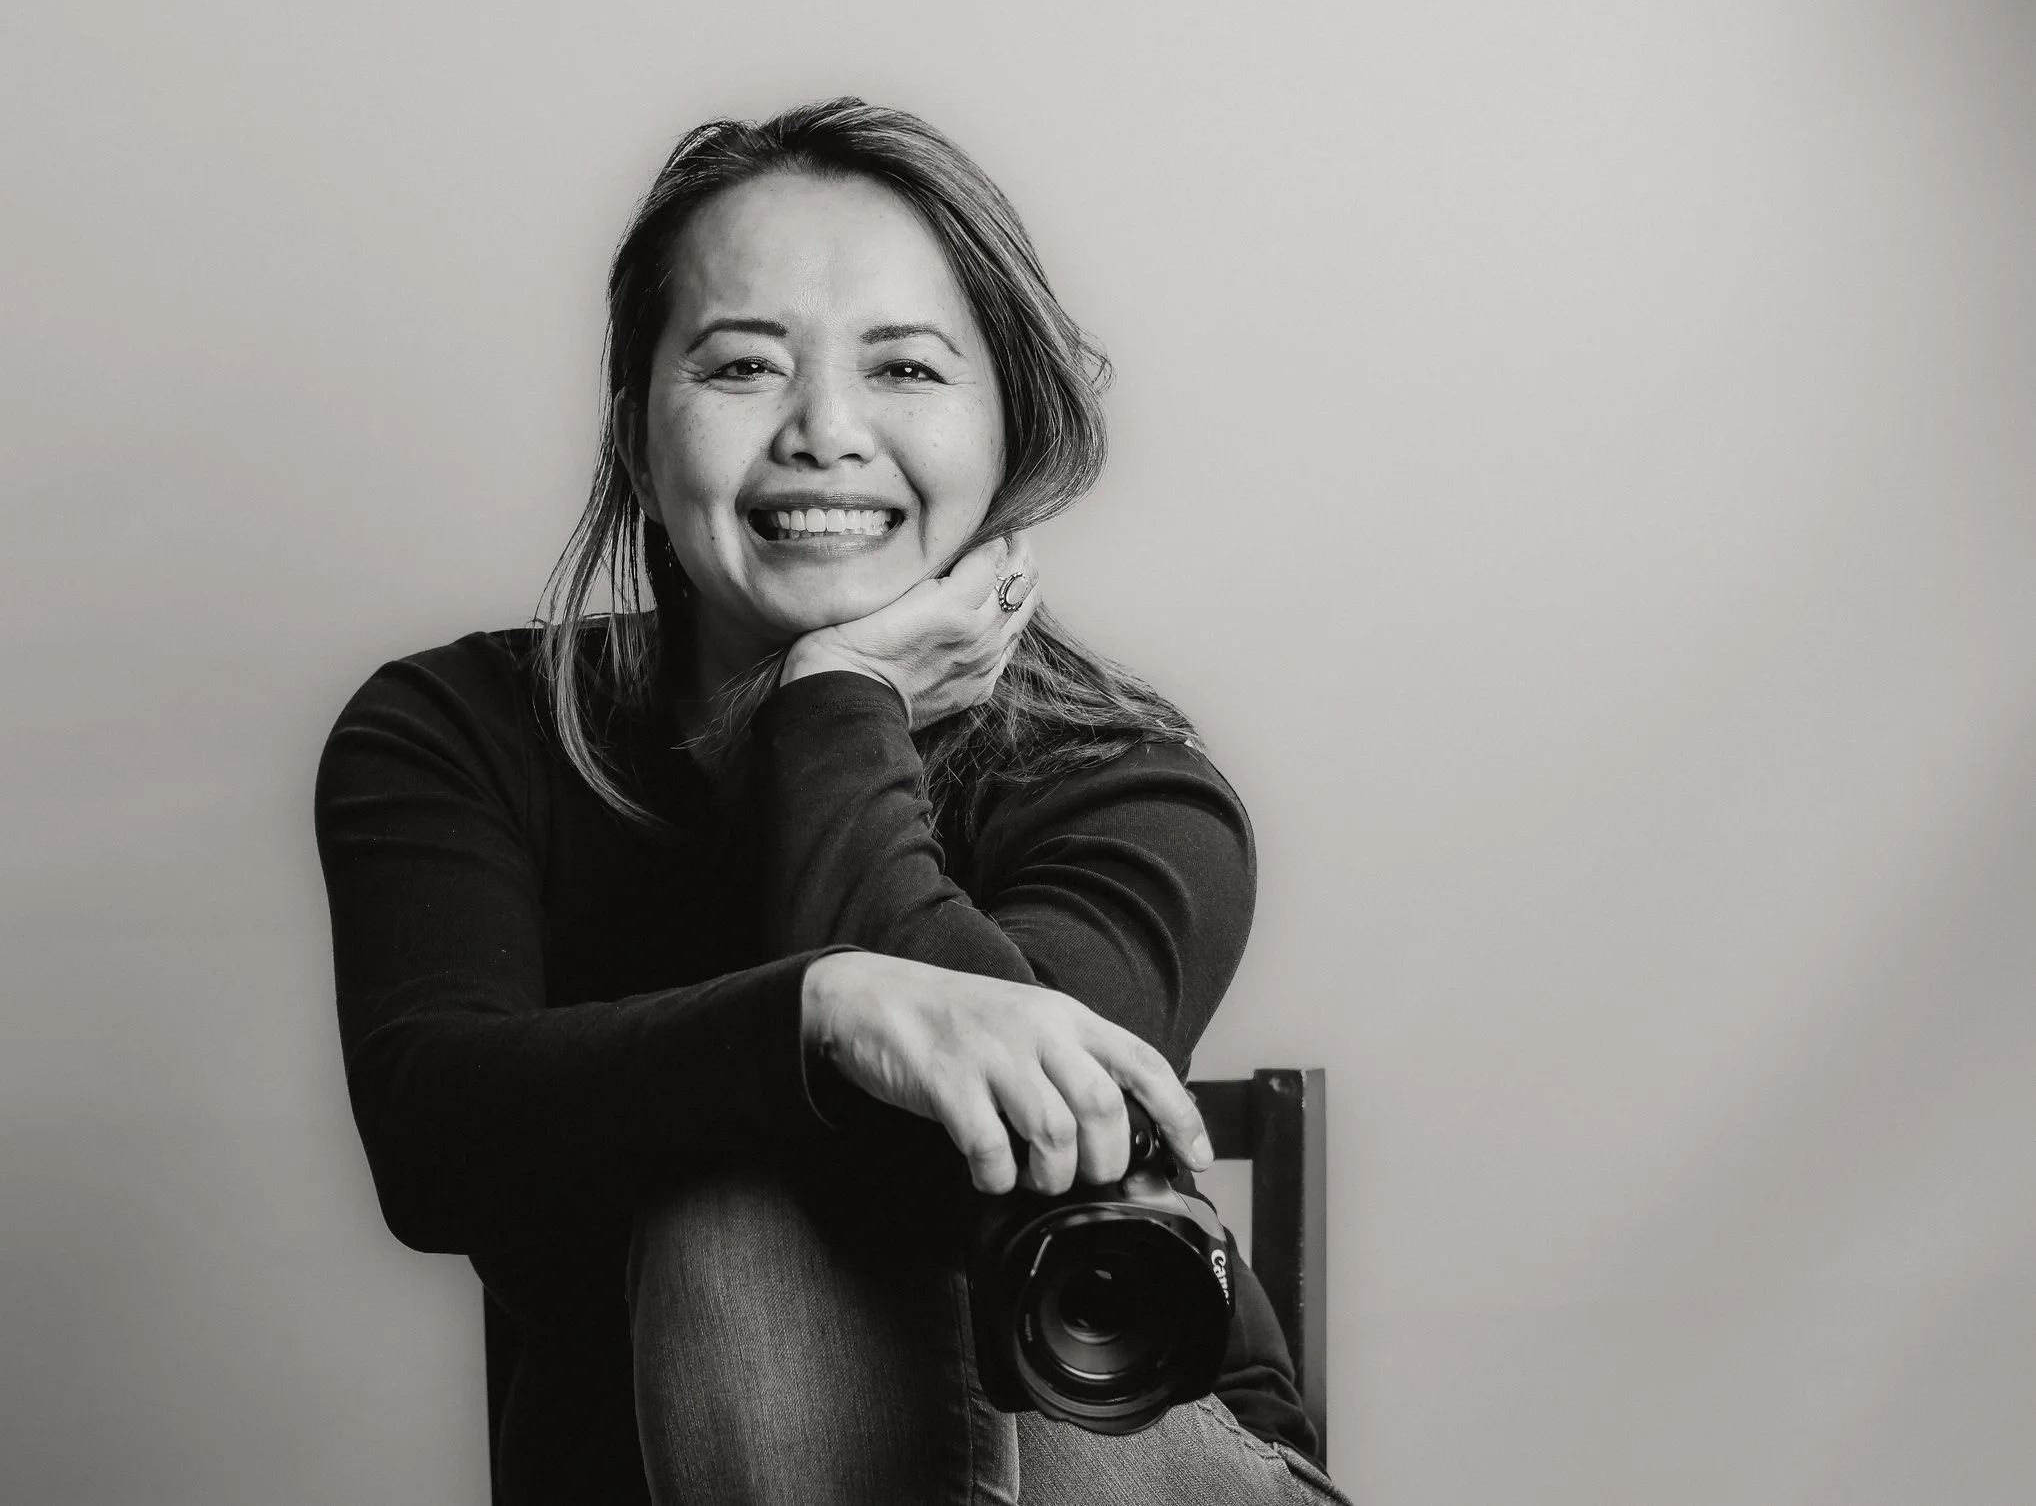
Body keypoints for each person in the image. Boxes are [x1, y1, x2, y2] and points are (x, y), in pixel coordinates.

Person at [317, 98, 1349, 1504]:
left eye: (907, 368)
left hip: (1135, 1462)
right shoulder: (460, 734)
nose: (826, 432)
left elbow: (970, 1170)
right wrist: (825, 1011)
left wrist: (833, 702)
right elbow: (436, 1142)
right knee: (732, 1200)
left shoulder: (1129, 788)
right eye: (742, 364)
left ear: (1008, 424)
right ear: (636, 428)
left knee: (763, 1187)